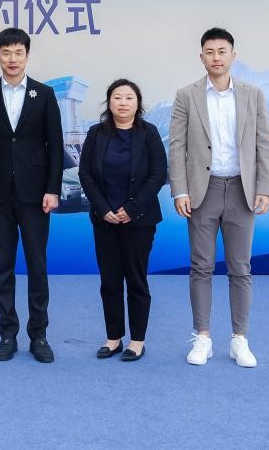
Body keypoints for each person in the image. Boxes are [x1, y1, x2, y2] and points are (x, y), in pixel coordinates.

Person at [168, 28, 269, 368]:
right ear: (201, 57)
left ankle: (239, 340)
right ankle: (203, 337)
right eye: (210, 52)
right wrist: (180, 190)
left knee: (240, 268)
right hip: (203, 191)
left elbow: (264, 143)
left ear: (233, 55)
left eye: (222, 51)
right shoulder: (186, 96)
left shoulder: (252, 95)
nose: (216, 57)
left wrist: (265, 187)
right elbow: (177, 146)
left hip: (242, 191)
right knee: (200, 266)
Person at [0, 27, 64, 363]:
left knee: (37, 265)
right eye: (6, 53)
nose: (12, 59)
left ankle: (39, 335)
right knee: (3, 266)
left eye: (18, 53)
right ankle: (7, 333)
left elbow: (56, 146)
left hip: (36, 195)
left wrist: (53, 189)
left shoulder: (44, 94)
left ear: (27, 55)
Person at [78, 79, 166, 362]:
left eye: (129, 97)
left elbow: (158, 174)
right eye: (117, 97)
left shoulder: (149, 133)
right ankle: (113, 338)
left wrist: (131, 209)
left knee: (136, 281)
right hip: (104, 220)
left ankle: (137, 341)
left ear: (138, 103)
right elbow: (85, 174)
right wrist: (102, 208)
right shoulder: (96, 133)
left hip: (139, 221)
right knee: (110, 281)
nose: (123, 103)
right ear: (109, 102)